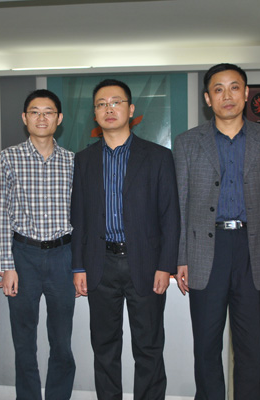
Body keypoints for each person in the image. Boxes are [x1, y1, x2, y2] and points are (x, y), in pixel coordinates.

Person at [173, 63, 260, 400]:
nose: (227, 95)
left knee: (252, 345)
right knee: (206, 344)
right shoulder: (187, 142)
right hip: (206, 250)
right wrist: (181, 257)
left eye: (234, 87)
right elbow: (181, 203)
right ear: (208, 98)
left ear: (246, 93)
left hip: (253, 248)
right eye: (218, 89)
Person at [71, 79, 180, 400]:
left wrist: (166, 266)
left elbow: (170, 216)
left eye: (116, 102)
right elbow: (79, 218)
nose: (109, 108)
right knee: (104, 347)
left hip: (145, 264)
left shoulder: (158, 157)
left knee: (148, 346)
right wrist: (78, 266)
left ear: (130, 109)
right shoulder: (84, 160)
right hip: (100, 264)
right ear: (95, 114)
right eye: (101, 104)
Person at [0, 89, 75, 400]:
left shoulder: (72, 161)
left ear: (59, 118)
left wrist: (78, 264)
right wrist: (7, 265)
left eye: (49, 112)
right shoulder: (9, 157)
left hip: (62, 256)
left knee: (62, 341)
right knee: (24, 342)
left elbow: (81, 216)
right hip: (23, 256)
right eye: (35, 112)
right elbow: (1, 212)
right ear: (24, 118)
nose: (42, 118)